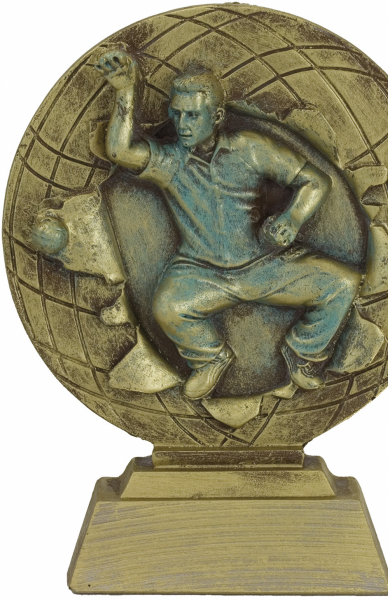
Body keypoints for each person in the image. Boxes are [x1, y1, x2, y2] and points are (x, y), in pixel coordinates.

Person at [95, 51, 361, 400]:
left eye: (193, 115)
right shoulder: (170, 161)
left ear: (217, 116)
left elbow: (316, 182)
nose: (182, 124)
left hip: (265, 266)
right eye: (176, 113)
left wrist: (292, 218)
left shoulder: (251, 148)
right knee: (168, 307)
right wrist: (125, 91)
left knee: (342, 283)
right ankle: (208, 358)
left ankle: (304, 353)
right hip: (201, 273)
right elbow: (119, 152)